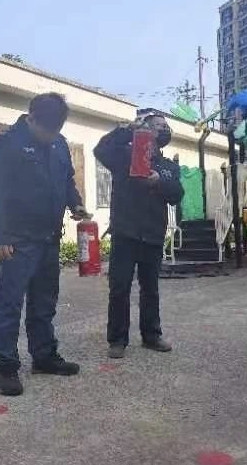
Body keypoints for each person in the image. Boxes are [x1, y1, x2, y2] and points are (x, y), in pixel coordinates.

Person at [0, 92, 89, 396]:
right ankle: (5, 366)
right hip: (17, 240)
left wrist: (75, 203)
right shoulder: (7, 143)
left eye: (56, 131)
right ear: (31, 118)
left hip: (49, 237)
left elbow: (66, 180)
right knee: (9, 304)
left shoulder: (59, 143)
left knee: (44, 302)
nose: (50, 136)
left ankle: (44, 357)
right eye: (46, 130)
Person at [94, 109, 184, 359]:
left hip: (153, 234)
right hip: (126, 233)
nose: (163, 129)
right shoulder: (124, 156)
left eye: (165, 126)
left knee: (150, 289)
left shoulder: (168, 167)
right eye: (157, 125)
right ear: (144, 129)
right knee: (119, 288)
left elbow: (177, 195)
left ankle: (151, 335)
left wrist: (158, 182)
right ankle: (117, 340)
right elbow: (100, 150)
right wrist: (126, 130)